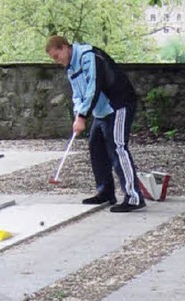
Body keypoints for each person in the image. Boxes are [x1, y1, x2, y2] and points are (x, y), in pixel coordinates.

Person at [45, 35, 146, 213]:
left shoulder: (88, 55)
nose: (56, 61)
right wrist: (78, 114)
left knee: (117, 147)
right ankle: (105, 192)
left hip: (118, 104)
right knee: (96, 146)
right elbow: (77, 95)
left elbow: (94, 86)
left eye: (56, 56)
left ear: (64, 47)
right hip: (101, 110)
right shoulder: (70, 68)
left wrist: (83, 116)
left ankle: (134, 196)